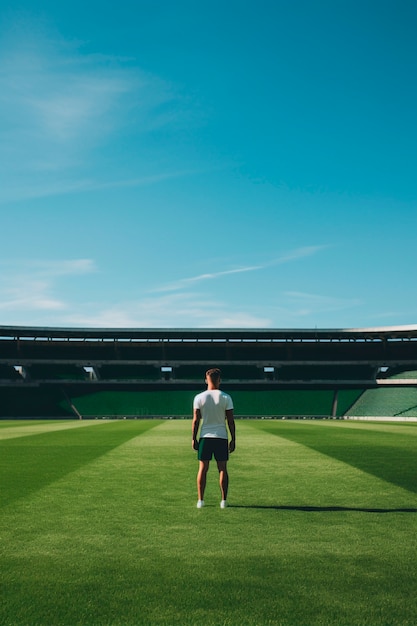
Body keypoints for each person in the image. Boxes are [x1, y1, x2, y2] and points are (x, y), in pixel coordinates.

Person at [192, 368, 236, 508]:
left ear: (206, 380)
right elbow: (230, 420)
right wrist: (233, 439)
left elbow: (196, 420)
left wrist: (194, 438)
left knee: (203, 468)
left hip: (205, 436)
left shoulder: (199, 397)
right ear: (219, 380)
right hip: (221, 437)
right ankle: (223, 501)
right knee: (222, 468)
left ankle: (201, 501)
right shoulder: (225, 397)